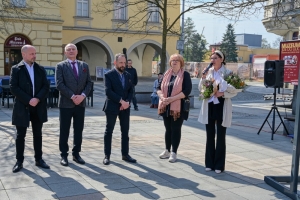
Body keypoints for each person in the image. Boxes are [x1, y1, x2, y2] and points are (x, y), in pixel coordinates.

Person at [10, 45, 50, 173]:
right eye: (32, 53)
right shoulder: (16, 69)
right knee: (20, 135)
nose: (34, 56)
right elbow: (14, 87)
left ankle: (39, 159)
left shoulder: (40, 69)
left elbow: (46, 85)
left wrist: (37, 98)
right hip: (22, 107)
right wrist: (29, 99)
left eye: (35, 53)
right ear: (24, 54)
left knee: (38, 134)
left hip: (38, 107)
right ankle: (19, 161)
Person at [198, 50, 238, 174]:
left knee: (221, 136)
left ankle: (219, 165)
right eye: (211, 58)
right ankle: (209, 163)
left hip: (222, 105)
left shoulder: (227, 73)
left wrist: (223, 93)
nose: (213, 60)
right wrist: (203, 78)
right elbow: (201, 88)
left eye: (215, 58)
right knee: (209, 135)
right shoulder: (208, 72)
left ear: (221, 59)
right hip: (210, 105)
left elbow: (235, 89)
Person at [56, 43, 92, 166]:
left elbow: (89, 83)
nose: (71, 51)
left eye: (73, 49)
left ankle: (76, 154)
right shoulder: (60, 66)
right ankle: (64, 155)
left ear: (77, 52)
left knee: (78, 130)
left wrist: (82, 96)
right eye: (68, 50)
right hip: (66, 104)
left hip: (80, 104)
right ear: (65, 52)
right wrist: (72, 96)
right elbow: (59, 84)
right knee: (64, 130)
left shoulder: (84, 65)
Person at [157, 54, 192, 163]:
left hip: (178, 107)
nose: (174, 62)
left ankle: (174, 152)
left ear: (181, 62)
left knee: (176, 129)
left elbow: (187, 91)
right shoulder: (166, 74)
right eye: (172, 60)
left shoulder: (185, 75)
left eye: (177, 60)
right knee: (168, 129)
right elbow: (158, 88)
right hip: (166, 106)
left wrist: (172, 99)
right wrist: (162, 97)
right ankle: (167, 150)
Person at [102, 53, 136, 165]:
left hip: (125, 108)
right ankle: (107, 156)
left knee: (125, 132)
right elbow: (108, 91)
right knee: (109, 131)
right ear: (115, 63)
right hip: (112, 106)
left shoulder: (127, 75)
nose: (123, 65)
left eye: (124, 63)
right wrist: (121, 101)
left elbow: (131, 90)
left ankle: (125, 154)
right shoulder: (108, 75)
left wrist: (127, 102)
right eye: (120, 62)